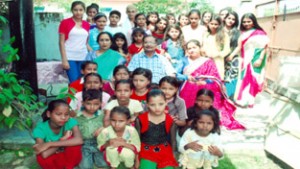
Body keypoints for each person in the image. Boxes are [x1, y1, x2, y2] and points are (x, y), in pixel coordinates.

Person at [178, 40, 245, 130]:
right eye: (189, 48)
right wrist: (186, 77)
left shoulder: (207, 61)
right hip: (188, 87)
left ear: (200, 48)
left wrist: (205, 82)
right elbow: (176, 74)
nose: (191, 50)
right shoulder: (183, 60)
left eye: (194, 47)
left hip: (204, 87)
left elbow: (214, 77)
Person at [229, 13, 269, 107]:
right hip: (245, 59)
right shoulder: (242, 33)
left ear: (253, 21)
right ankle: (242, 100)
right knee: (243, 79)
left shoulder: (260, 33)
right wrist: (231, 55)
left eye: (248, 21)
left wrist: (260, 59)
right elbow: (239, 47)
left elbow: (264, 47)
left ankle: (250, 101)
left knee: (253, 79)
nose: (246, 23)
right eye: (244, 22)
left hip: (256, 59)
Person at [33, 99, 82, 169]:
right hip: (53, 159)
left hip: (68, 158)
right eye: (58, 114)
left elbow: (79, 140)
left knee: (74, 142)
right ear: (49, 114)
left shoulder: (70, 122)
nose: (63, 118)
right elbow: (44, 154)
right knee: (40, 157)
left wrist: (49, 144)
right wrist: (63, 140)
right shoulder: (40, 128)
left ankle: (69, 167)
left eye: (66, 114)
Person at [135, 89, 178, 169]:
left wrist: (173, 156)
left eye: (161, 104)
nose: (157, 108)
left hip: (164, 149)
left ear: (166, 102)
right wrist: (136, 158)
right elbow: (136, 140)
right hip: (146, 150)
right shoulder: (140, 119)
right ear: (147, 104)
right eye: (152, 105)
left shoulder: (170, 121)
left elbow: (173, 140)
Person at [59, 1, 90, 83]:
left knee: (82, 82)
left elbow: (85, 43)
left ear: (84, 11)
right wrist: (64, 59)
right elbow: (61, 42)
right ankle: (72, 96)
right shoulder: (65, 22)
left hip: (83, 56)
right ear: (72, 10)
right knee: (74, 82)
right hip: (70, 57)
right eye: (75, 10)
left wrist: (94, 53)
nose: (78, 12)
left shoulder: (87, 24)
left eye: (80, 10)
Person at [75, 89, 107, 169]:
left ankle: (96, 157)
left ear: (100, 104)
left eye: (96, 104)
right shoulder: (77, 116)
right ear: (83, 103)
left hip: (99, 142)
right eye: (88, 104)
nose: (92, 107)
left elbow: (109, 125)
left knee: (104, 164)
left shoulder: (103, 115)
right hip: (83, 144)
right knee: (85, 167)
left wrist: (103, 128)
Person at [202, 15, 230, 80]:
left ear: (219, 25)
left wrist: (218, 54)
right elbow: (203, 47)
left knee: (217, 80)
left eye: (216, 24)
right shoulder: (206, 34)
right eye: (211, 24)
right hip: (207, 60)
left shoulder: (224, 35)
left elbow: (227, 49)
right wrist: (205, 54)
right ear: (208, 23)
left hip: (218, 60)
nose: (213, 26)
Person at [223, 11, 240, 99]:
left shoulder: (237, 32)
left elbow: (239, 46)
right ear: (225, 18)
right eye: (229, 18)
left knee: (231, 78)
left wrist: (232, 55)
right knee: (220, 77)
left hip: (232, 58)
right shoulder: (219, 30)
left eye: (233, 19)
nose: (231, 21)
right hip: (220, 58)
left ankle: (229, 98)